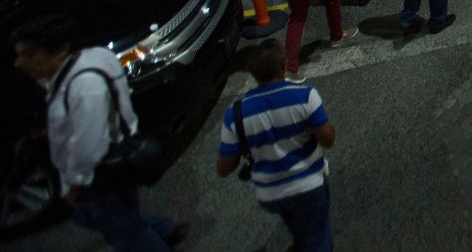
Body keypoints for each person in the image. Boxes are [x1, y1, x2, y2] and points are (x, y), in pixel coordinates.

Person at [12, 13, 182, 252]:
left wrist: (74, 187)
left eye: (29, 54)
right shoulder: (95, 58)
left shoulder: (84, 89)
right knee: (121, 214)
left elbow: (90, 148)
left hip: (100, 173)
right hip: (114, 162)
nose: (19, 63)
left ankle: (156, 236)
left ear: (61, 50)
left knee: (125, 233)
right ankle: (164, 229)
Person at [215, 39, 336, 252]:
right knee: (317, 236)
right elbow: (328, 139)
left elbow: (224, 168)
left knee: (297, 225)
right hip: (308, 185)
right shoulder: (305, 97)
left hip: (270, 193)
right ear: (283, 65)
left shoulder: (235, 114)